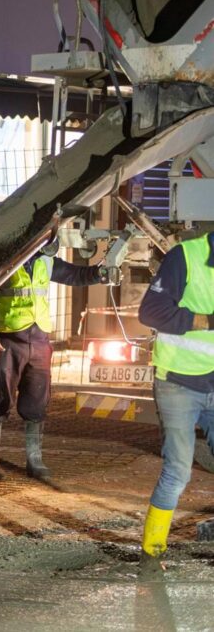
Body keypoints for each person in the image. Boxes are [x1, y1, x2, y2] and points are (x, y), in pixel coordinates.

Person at [0, 236, 107, 481]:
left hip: (39, 340)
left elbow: (77, 275)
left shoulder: (46, 261)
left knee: (37, 401)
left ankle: (34, 461)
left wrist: (102, 272)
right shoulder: (3, 260)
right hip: (5, 339)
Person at [134, 232, 214, 569]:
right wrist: (207, 320)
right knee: (178, 470)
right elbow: (151, 312)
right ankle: (152, 554)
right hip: (178, 383)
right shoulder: (185, 257)